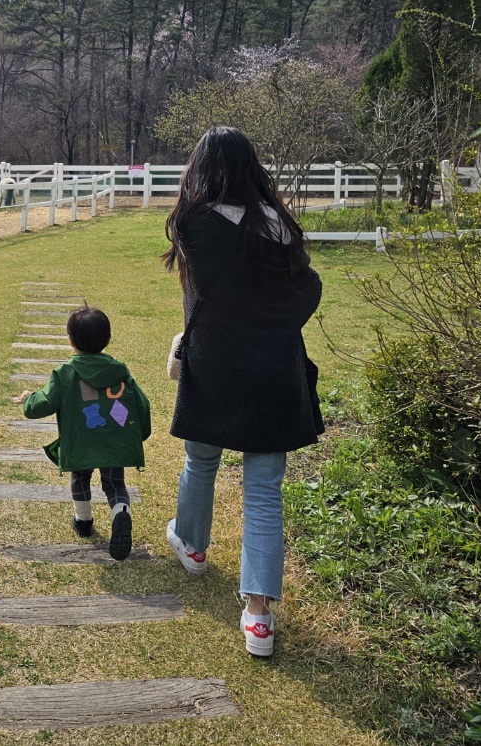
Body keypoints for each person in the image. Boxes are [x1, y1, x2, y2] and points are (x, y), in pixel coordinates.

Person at [161, 126, 323, 657]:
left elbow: (203, 296)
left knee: (200, 460)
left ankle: (193, 546)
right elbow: (308, 288)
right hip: (273, 369)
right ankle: (259, 618)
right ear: (252, 167)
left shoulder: (193, 223)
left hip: (214, 365)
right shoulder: (278, 224)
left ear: (201, 168)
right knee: (264, 489)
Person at [13, 307, 152, 560]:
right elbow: (142, 404)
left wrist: (28, 399)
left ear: (71, 341)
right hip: (114, 441)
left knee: (80, 478)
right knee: (114, 484)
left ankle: (83, 520)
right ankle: (120, 512)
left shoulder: (65, 373)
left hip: (81, 442)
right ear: (108, 340)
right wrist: (138, 435)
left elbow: (42, 404)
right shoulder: (120, 372)